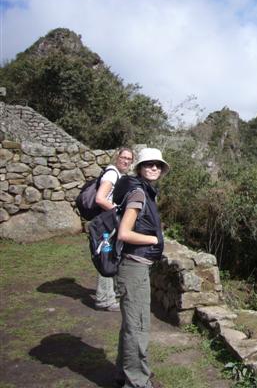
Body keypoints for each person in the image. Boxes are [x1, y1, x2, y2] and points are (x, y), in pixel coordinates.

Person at [113, 147, 169, 388]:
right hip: (133, 266)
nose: (154, 168)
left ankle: (124, 373)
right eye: (149, 164)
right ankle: (137, 382)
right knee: (138, 327)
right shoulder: (138, 194)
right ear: (140, 168)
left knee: (131, 324)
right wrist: (155, 240)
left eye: (157, 164)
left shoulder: (145, 191)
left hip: (136, 266)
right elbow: (124, 233)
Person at [94, 147, 134, 311]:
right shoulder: (111, 174)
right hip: (106, 226)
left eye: (129, 159)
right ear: (116, 158)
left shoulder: (119, 175)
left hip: (110, 224)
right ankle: (104, 299)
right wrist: (118, 212)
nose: (125, 161)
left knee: (113, 256)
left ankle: (113, 294)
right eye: (123, 157)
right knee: (107, 257)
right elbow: (100, 199)